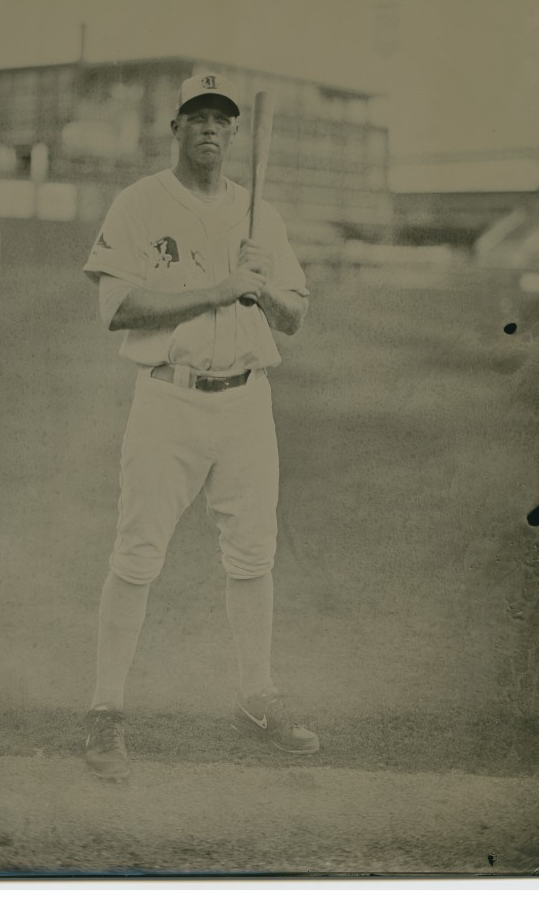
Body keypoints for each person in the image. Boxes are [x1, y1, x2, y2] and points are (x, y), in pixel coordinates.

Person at [82, 73, 318, 780]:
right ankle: (106, 710)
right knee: (137, 554)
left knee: (253, 556)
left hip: (247, 401)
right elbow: (118, 308)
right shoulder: (140, 203)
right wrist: (219, 288)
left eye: (223, 119)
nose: (211, 128)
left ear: (236, 133)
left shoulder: (260, 215)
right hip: (169, 400)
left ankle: (256, 695)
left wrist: (263, 285)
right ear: (176, 129)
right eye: (198, 117)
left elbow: (294, 316)